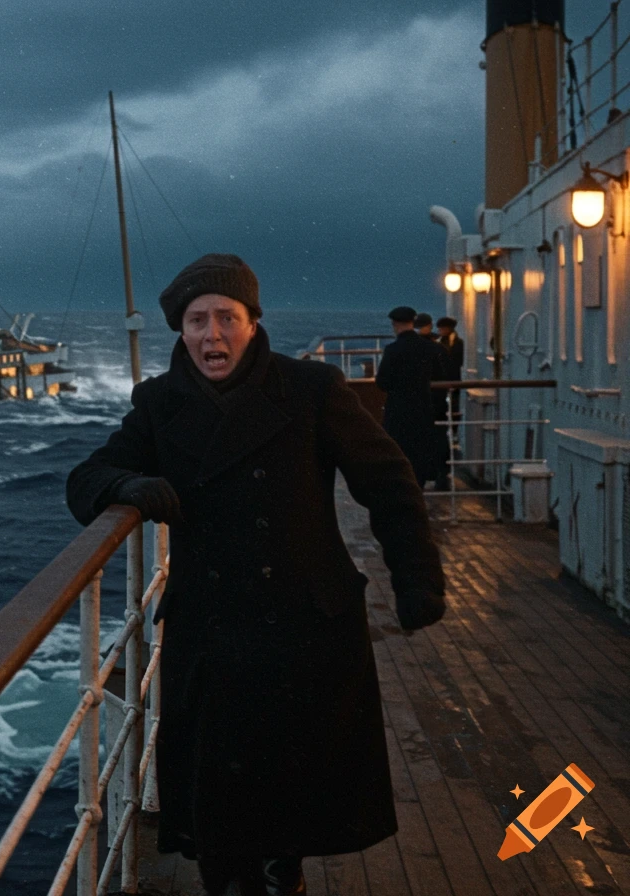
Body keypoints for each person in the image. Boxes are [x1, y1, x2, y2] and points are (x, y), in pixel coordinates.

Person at [66, 254, 446, 896]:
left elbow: (388, 482)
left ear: (252, 321)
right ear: (180, 332)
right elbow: (85, 481)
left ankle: (285, 871)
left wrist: (416, 582)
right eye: (196, 321)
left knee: (290, 809)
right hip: (213, 636)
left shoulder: (312, 389)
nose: (212, 335)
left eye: (226, 318)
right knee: (221, 820)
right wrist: (130, 484)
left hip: (305, 626)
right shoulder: (160, 404)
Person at [375, 306, 453, 488]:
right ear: (413, 323)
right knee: (421, 451)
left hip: (398, 410)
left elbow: (382, 382)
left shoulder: (392, 350)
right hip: (424, 409)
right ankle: (419, 487)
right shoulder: (429, 348)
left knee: (398, 450)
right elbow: (440, 377)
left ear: (395, 324)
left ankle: (403, 489)